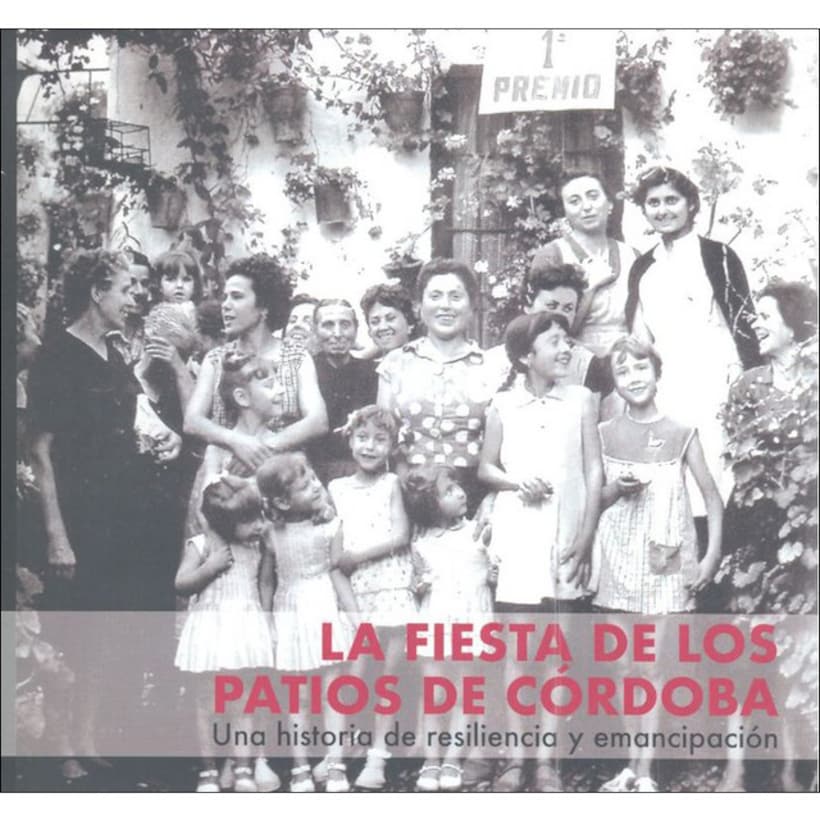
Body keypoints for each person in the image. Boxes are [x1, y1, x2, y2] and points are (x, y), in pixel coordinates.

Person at [27, 249, 182, 775]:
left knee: (104, 628)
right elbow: (40, 452)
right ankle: (60, 747)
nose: (135, 297)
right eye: (125, 289)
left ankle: (87, 736)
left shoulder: (114, 351)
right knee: (72, 630)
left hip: (121, 516)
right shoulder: (56, 355)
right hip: (79, 515)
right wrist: (57, 535)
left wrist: (161, 441)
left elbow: (133, 421)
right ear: (97, 293)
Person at [589, 336, 723, 792]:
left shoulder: (682, 432)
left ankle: (645, 770)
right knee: (623, 668)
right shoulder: (603, 433)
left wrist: (710, 557)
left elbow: (712, 498)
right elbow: (592, 502)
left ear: (657, 372)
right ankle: (630, 766)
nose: (634, 377)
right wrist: (616, 490)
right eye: (623, 371)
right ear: (615, 383)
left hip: (665, 564)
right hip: (616, 563)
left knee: (650, 668)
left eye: (641, 367)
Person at [478, 312, 603, 793]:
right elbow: (486, 468)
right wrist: (516, 482)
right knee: (517, 653)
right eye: (554, 342)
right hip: (520, 538)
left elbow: (594, 471)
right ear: (526, 356)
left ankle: (548, 762)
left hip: (566, 536)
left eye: (567, 340)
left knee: (557, 653)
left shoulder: (582, 400)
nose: (566, 349)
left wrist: (586, 535)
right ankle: (515, 759)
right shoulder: (503, 404)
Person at [714, 281, 817, 792]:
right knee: (747, 648)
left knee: (801, 648)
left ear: (795, 325)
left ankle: (795, 771)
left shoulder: (817, 384)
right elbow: (736, 457)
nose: (756, 323)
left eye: (767, 315)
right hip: (754, 533)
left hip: (807, 536)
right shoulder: (748, 385)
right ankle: (738, 768)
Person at [625, 166, 761, 518]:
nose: (663, 210)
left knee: (720, 475)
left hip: (717, 382)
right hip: (668, 386)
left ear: (691, 205)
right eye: (653, 202)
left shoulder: (719, 257)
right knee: (671, 480)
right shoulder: (643, 267)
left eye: (672, 200)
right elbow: (639, 339)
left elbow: (744, 325)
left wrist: (751, 382)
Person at [256, 452, 357, 793]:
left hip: (323, 606)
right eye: (304, 486)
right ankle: (300, 766)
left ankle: (336, 764)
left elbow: (338, 574)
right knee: (296, 694)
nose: (316, 486)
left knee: (333, 691)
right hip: (289, 611)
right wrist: (267, 622)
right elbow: (267, 581)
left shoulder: (331, 526)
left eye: (314, 479)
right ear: (282, 502)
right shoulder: (272, 534)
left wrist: (354, 617)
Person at [328, 405, 415, 790]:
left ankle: (377, 757)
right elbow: (333, 548)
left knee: (387, 678)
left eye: (380, 440)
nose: (369, 446)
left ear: (392, 447)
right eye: (362, 437)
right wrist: (345, 569)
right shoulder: (336, 488)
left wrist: (358, 557)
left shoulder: (392, 483)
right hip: (354, 594)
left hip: (391, 588)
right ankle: (338, 752)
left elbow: (401, 536)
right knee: (352, 675)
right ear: (350, 439)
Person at [174, 475, 275, 793]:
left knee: (243, 700)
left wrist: (267, 623)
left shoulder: (258, 546)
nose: (260, 525)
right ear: (224, 523)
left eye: (260, 516)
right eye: (249, 520)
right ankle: (208, 771)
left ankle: (243, 767)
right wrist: (209, 567)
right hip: (210, 628)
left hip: (245, 626)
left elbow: (265, 584)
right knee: (206, 700)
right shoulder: (202, 546)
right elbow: (181, 584)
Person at [184, 253, 328, 472]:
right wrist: (237, 442)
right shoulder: (215, 360)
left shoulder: (297, 358)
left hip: (284, 472)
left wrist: (262, 449)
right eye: (225, 297)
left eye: (237, 297)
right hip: (227, 469)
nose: (225, 305)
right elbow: (192, 421)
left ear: (263, 307)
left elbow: (317, 421)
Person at [402, 465, 496, 792]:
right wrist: (418, 585)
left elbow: (491, 568)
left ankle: (453, 759)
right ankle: (431, 759)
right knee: (435, 693)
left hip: (471, 618)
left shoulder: (479, 532)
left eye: (457, 486)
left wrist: (493, 574)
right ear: (430, 505)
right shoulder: (421, 542)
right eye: (448, 491)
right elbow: (416, 583)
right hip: (437, 619)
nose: (460, 492)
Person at [377, 258, 497, 512]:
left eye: (456, 296)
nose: (445, 305)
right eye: (435, 296)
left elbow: (502, 447)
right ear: (419, 306)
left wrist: (491, 501)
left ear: (472, 306)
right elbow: (385, 437)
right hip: (410, 491)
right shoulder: (395, 363)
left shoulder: (493, 367)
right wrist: (405, 493)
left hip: (473, 493)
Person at [530, 171, 637, 356]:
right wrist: (589, 288)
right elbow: (543, 328)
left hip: (625, 359)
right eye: (574, 201)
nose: (586, 207)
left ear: (610, 204)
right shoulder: (552, 256)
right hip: (571, 358)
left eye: (593, 197)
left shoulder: (632, 255)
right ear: (565, 211)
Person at [484, 264, 616, 407]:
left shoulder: (588, 364)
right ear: (528, 307)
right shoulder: (494, 361)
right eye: (551, 306)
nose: (559, 315)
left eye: (568, 309)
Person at [309, 298, 379, 483]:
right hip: (313, 469)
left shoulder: (372, 372)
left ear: (356, 329)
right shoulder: (306, 371)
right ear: (315, 330)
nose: (338, 334)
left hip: (362, 468)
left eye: (345, 325)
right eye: (328, 325)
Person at [359, 281, 417, 360]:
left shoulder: (427, 363)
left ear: (410, 324)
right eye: (375, 322)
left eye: (390, 318)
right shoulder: (369, 367)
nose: (383, 327)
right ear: (369, 331)